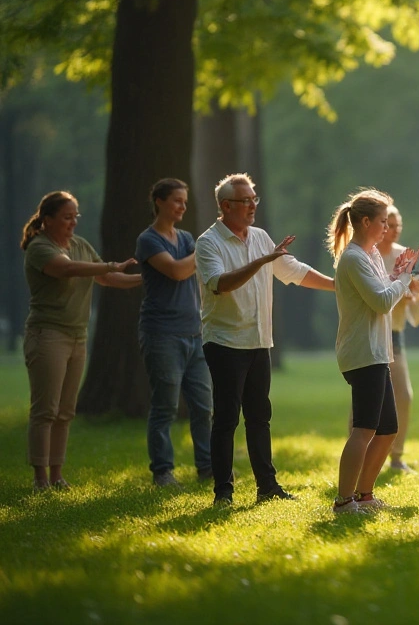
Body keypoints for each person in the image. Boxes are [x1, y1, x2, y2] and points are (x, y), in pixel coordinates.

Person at [195, 173, 335, 507]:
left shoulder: (259, 236)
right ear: (226, 206)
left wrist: (339, 285)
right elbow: (220, 284)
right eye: (246, 201)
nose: (253, 205)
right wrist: (261, 261)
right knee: (227, 418)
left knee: (260, 416)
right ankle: (223, 493)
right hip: (225, 341)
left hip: (259, 341)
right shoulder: (208, 242)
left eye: (255, 199)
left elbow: (294, 271)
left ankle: (267, 487)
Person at [22, 191, 141, 490]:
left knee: (65, 411)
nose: (73, 222)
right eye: (66, 217)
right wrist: (110, 265)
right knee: (45, 410)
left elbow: (109, 279)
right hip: (47, 335)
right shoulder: (40, 247)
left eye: (76, 216)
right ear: (47, 220)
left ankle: (58, 475)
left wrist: (148, 278)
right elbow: (66, 269)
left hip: (77, 336)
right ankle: (40, 479)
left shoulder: (80, 245)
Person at [328, 190, 419, 514]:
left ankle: (364, 495)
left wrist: (397, 274)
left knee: (387, 430)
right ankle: (343, 500)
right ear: (366, 222)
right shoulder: (353, 258)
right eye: (383, 221)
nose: (387, 227)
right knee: (365, 429)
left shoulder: (373, 256)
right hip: (362, 353)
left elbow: (383, 291)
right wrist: (406, 277)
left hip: (378, 353)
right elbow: (381, 301)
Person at [136, 178, 213, 488]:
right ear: (159, 202)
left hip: (194, 333)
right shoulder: (149, 240)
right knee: (165, 406)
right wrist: (205, 250)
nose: (182, 206)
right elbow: (178, 270)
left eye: (185, 201)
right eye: (177, 200)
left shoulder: (186, 238)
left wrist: (202, 250)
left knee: (203, 406)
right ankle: (163, 472)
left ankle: (208, 467)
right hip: (162, 334)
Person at [377, 205, 419, 474]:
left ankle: (396, 457)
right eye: (389, 224)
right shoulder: (367, 253)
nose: (394, 230)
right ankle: (361, 452)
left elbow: (415, 308)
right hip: (372, 332)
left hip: (394, 334)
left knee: (404, 396)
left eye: (397, 225)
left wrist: (414, 294)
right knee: (365, 397)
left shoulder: (404, 254)